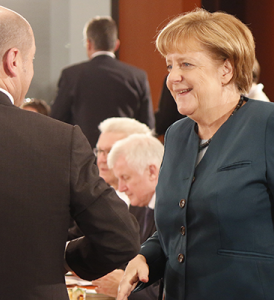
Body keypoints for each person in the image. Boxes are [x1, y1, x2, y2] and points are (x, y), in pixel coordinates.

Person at [117, 8, 274, 300]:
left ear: (226, 70)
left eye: (186, 64)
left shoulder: (273, 124)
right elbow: (180, 225)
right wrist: (146, 257)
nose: (173, 77)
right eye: (169, 66)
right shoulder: (176, 135)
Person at [0, 6, 140, 300]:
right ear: (13, 61)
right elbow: (120, 238)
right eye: (32, 59)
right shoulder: (58, 140)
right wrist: (63, 256)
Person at [50, 16, 155, 147]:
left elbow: (56, 120)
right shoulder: (138, 76)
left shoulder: (71, 75)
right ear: (116, 44)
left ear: (88, 43)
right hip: (124, 156)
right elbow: (147, 126)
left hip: (83, 157)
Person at [92, 134, 164, 299]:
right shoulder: (138, 206)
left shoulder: (175, 211)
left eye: (125, 178)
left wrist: (123, 286)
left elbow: (169, 289)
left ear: (152, 172)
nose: (121, 188)